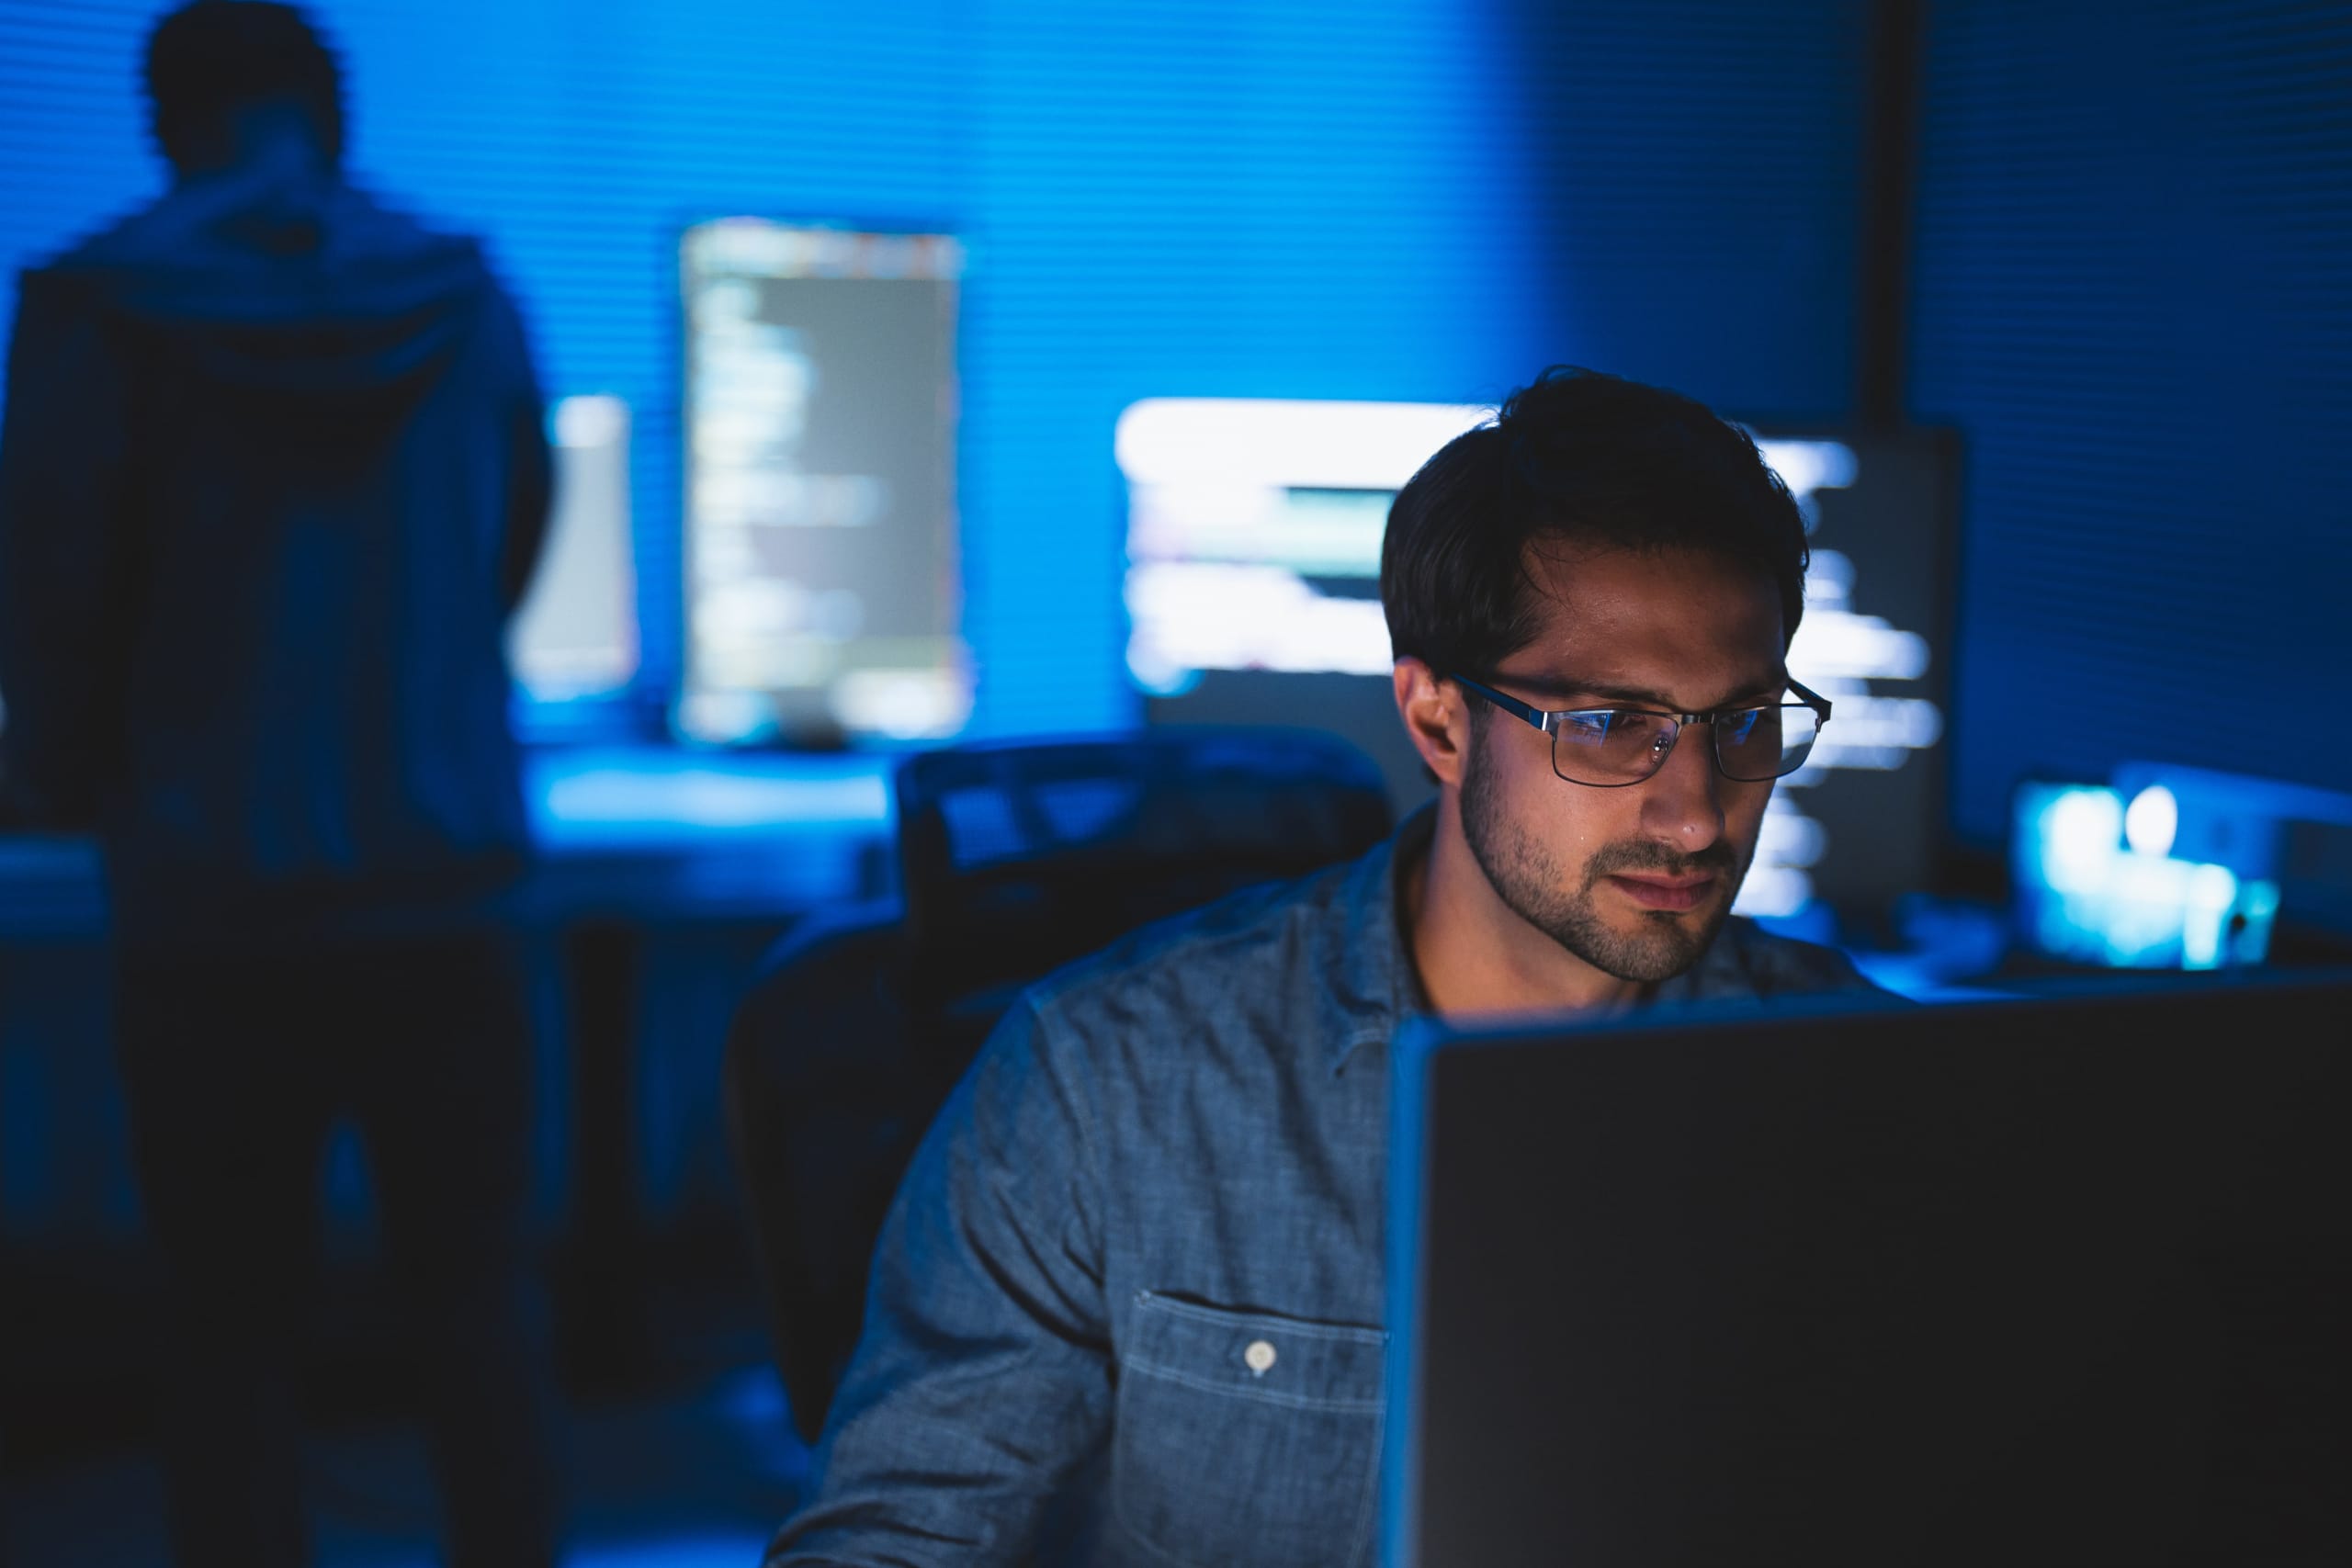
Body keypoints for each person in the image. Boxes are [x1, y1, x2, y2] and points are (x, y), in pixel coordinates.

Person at [766, 366, 1884, 1566]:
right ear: (1439, 720)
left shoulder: (1875, 1089)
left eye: (1744, 723)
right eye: (1612, 724)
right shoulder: (1106, 1087)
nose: (1696, 816)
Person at [0, 4, 557, 1564]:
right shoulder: (467, 295)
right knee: (479, 1303)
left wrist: (56, 771)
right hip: (448, 885)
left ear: (167, 125)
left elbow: (50, 601)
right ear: (338, 114)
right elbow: (506, 548)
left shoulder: (98, 308)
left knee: (224, 1325)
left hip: (210, 904)